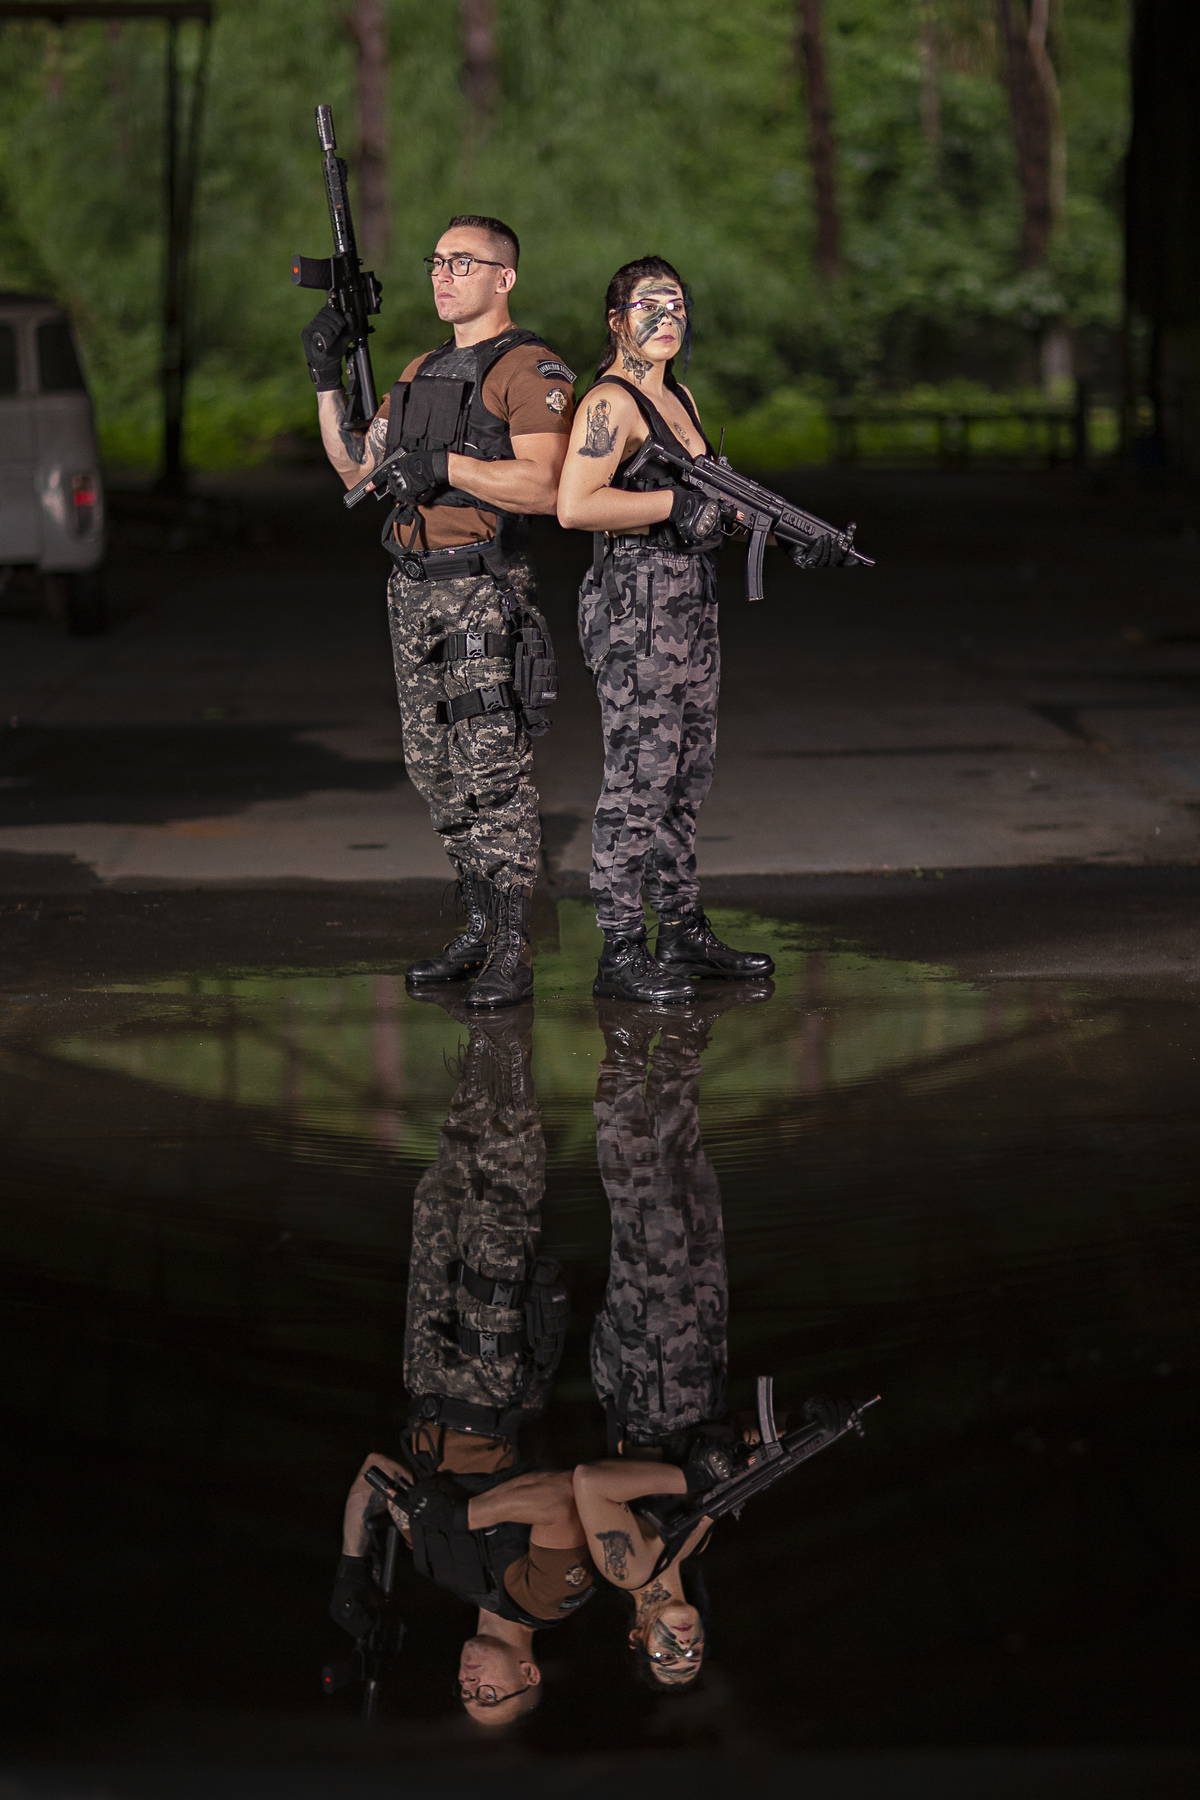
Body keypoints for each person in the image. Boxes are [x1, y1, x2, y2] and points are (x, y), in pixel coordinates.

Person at [303, 217, 577, 1008]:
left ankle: (513, 944)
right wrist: (324, 376)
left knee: (492, 767)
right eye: (437, 262)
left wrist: (446, 463)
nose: (443, 275)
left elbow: (546, 485)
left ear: (504, 278)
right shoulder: (419, 370)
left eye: (463, 262)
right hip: (412, 586)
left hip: (482, 586)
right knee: (434, 768)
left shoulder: (528, 367)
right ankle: (480, 925)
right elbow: (357, 469)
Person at [330, 1000, 594, 1727]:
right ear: (528, 1674)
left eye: (466, 1694)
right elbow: (557, 1499)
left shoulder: (442, 1570)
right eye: (492, 1694)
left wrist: (351, 1568)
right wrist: (460, 1511)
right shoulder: (547, 1598)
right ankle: (510, 1014)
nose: (472, 1682)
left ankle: (481, 1032)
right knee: (502, 1200)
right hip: (490, 1384)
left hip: (426, 1384)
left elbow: (373, 1473)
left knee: (439, 1197)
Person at [557, 256, 796, 1005]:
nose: (667, 318)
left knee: (687, 774)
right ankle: (621, 946)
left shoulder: (679, 396)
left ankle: (681, 928)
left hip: (691, 602)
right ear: (616, 320)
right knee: (640, 776)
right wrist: (670, 508)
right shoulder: (610, 402)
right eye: (649, 305)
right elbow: (575, 505)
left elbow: (706, 502)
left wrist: (780, 531)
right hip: (637, 607)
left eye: (677, 305)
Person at [572, 986, 769, 1689]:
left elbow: (592, 1483)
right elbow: (724, 1452)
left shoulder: (630, 1569)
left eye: (665, 1658)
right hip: (700, 1372)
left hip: (649, 1383)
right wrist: (763, 1442)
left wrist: (692, 1479)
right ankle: (684, 1036)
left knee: (646, 1206)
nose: (682, 1649)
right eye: (693, 1656)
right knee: (693, 1193)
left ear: (638, 1636)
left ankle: (623, 1046)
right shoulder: (693, 1549)